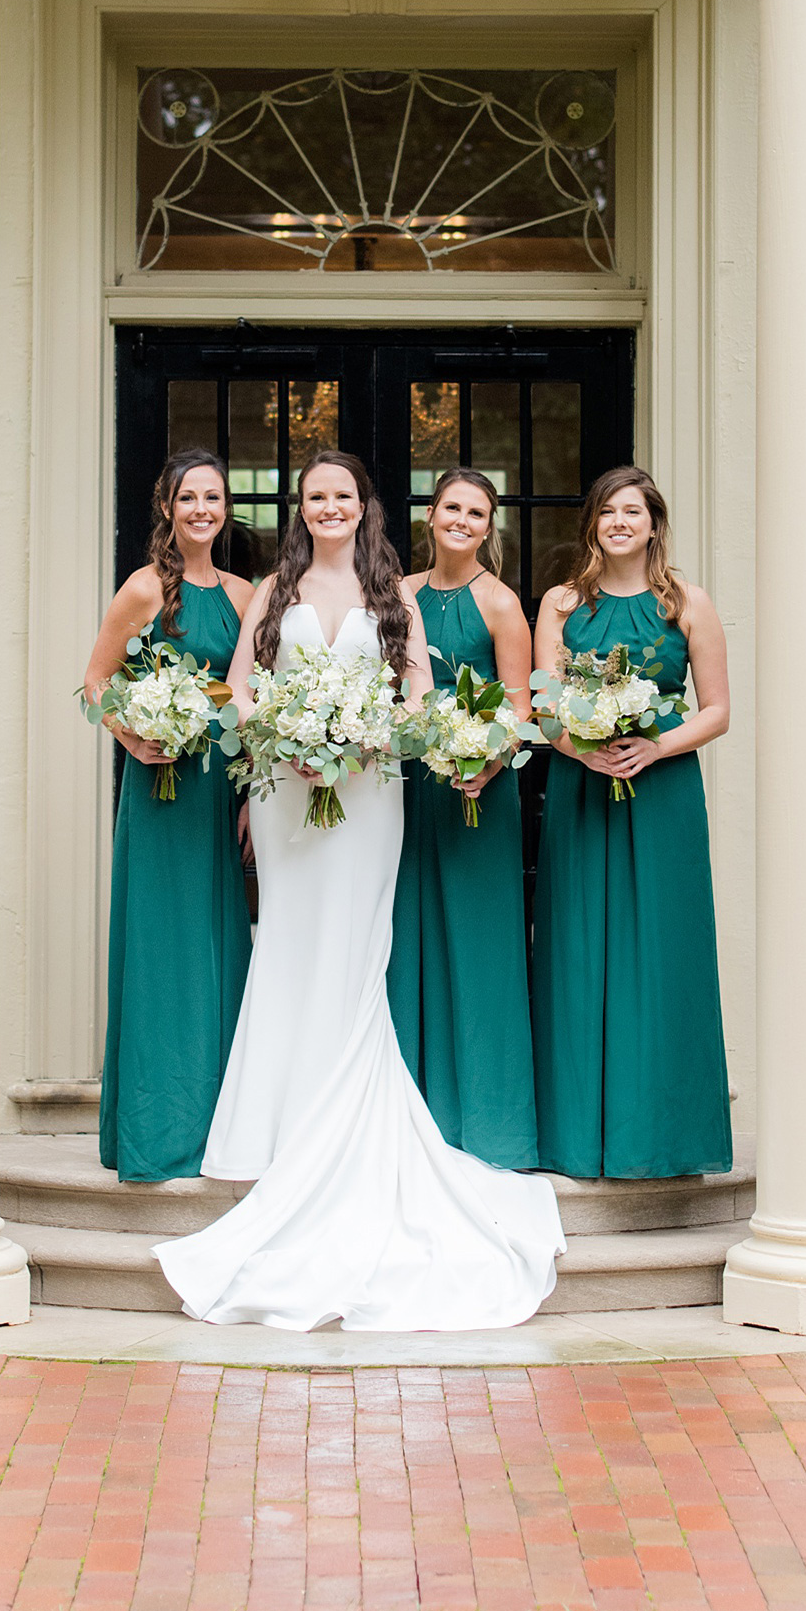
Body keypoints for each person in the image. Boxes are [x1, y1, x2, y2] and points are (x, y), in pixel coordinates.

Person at [157, 449, 564, 1330]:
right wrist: (285, 740)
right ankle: (274, 1129)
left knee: (354, 950)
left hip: (373, 790)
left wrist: (375, 733)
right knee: (292, 945)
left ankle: (347, 1129)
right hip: (288, 789)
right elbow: (237, 690)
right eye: (316, 496)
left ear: (363, 506)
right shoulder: (271, 590)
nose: (330, 506)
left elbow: (418, 692)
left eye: (344, 495)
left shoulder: (396, 597)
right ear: (301, 509)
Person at [531, 466, 733, 1180]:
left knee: (659, 952)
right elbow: (545, 705)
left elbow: (716, 711)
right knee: (579, 947)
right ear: (592, 524)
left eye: (633, 512)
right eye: (607, 511)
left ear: (654, 524)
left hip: (663, 793)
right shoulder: (561, 604)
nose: (620, 522)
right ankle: (577, 1137)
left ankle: (662, 1137)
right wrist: (582, 749)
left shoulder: (687, 603)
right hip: (583, 789)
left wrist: (655, 745)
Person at [84, 451, 255, 1183]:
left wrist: (249, 793)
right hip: (159, 795)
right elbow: (94, 684)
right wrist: (131, 733)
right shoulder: (144, 589)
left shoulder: (249, 596)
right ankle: (158, 1132)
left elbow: (253, 701)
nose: (201, 510)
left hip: (219, 790)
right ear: (167, 507)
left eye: (213, 498)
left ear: (225, 510)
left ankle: (222, 1122)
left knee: (222, 947)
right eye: (189, 497)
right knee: (162, 953)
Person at [388, 467, 539, 1168]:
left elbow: (520, 709)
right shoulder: (400, 595)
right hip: (412, 787)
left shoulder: (502, 603)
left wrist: (487, 761)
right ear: (431, 513)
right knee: (405, 936)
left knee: (480, 945)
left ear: (489, 526)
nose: (462, 520)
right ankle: (408, 1115)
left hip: (481, 788)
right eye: (453, 507)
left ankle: (488, 1124)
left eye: (476, 513)